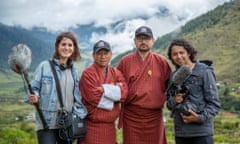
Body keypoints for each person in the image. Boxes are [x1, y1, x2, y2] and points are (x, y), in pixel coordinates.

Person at [25, 32, 87, 144]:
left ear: (74, 48)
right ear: (57, 46)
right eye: (63, 44)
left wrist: (78, 114)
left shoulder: (74, 71)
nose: (66, 48)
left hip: (67, 124)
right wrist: (35, 96)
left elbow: (77, 98)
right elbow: (34, 88)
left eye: (70, 45)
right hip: (46, 123)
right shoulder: (44, 66)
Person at [117, 26, 171, 144]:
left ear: (153, 40)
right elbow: (117, 86)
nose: (143, 42)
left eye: (146, 39)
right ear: (135, 41)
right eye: (140, 39)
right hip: (132, 115)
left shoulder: (161, 62)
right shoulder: (125, 61)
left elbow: (170, 86)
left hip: (154, 115)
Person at [166, 38, 221, 144]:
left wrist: (198, 118)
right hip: (181, 133)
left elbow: (214, 104)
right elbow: (169, 104)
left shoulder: (204, 72)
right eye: (174, 54)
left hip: (202, 133)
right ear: (171, 58)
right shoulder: (173, 76)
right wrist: (174, 100)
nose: (178, 57)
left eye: (181, 53)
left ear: (189, 53)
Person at [79, 40, 128, 144]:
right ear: (93, 55)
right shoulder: (87, 74)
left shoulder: (115, 72)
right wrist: (115, 92)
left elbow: (124, 93)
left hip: (110, 128)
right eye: (99, 54)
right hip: (92, 127)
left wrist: (104, 89)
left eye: (105, 53)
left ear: (110, 55)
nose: (103, 57)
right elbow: (94, 98)